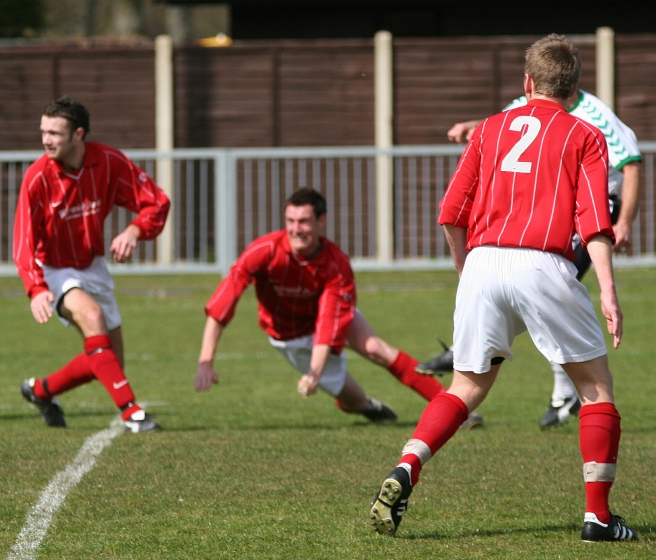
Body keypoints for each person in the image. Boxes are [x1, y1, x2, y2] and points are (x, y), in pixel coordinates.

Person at [370, 34, 636, 542]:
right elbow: (596, 222)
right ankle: (598, 518)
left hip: (484, 263)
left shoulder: (489, 130)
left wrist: (465, 269)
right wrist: (606, 288)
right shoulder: (585, 134)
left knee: (466, 387)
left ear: (527, 82)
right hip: (543, 264)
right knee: (595, 387)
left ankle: (407, 464)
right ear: (574, 85)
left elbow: (450, 213)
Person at [417, 78, 642, 431]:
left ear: (532, 80)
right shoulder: (526, 106)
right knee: (550, 299)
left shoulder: (595, 116)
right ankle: (562, 390)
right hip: (552, 224)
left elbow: (630, 162)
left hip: (592, 212)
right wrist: (472, 126)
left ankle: (557, 388)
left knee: (554, 295)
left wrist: (624, 219)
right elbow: (513, 126)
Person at [194, 187, 482, 428]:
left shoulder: (336, 265)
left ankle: (455, 411)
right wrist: (206, 360)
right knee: (352, 400)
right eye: (290, 221)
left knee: (376, 349)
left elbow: (329, 325)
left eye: (304, 221)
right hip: (290, 337)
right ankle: (366, 405)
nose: (296, 229)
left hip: (324, 325)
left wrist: (314, 374)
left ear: (322, 221)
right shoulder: (265, 251)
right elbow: (224, 301)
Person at [14, 96, 170, 433]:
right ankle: (133, 414)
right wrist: (36, 288)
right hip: (55, 268)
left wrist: (134, 229)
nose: (46, 140)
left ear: (78, 135)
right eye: (43, 132)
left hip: (93, 265)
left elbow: (157, 203)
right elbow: (23, 242)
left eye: (55, 133)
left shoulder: (109, 162)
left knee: (109, 361)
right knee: (93, 318)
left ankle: (41, 391)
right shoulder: (37, 177)